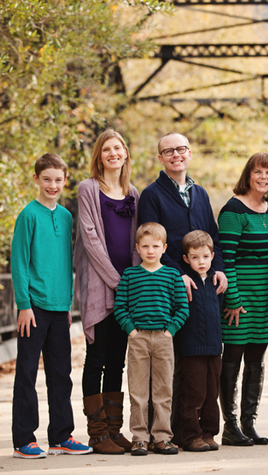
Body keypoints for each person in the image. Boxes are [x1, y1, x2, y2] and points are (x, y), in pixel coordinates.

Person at [137, 132, 227, 446]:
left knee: (201, 367)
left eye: (181, 149)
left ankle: (198, 432)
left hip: (203, 284)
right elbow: (150, 242)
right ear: (160, 158)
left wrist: (219, 270)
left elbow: (212, 238)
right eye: (169, 151)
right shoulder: (152, 195)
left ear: (189, 154)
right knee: (173, 365)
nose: (176, 155)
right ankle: (164, 432)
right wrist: (178, 273)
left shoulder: (200, 193)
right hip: (170, 287)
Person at [11, 153, 92, 458]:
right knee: (28, 373)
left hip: (61, 308)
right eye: (47, 179)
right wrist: (24, 303)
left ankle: (61, 436)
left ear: (65, 181)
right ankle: (24, 440)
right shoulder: (28, 215)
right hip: (33, 307)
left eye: (58, 180)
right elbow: (18, 262)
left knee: (61, 374)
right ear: (36, 179)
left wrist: (70, 302)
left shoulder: (66, 217)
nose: (52, 185)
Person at [74, 129, 140, 455]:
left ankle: (115, 430)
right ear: (99, 156)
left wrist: (135, 281)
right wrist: (118, 280)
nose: (113, 153)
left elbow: (139, 241)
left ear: (125, 153)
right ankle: (97, 434)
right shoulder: (88, 189)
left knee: (118, 361)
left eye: (118, 148)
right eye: (106, 149)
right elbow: (91, 239)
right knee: (96, 357)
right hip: (101, 286)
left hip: (127, 289)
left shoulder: (134, 193)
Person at [217, 153, 268, 446]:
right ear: (248, 175)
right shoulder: (233, 210)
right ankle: (230, 426)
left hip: (266, 297)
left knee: (257, 359)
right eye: (258, 172)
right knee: (232, 359)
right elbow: (226, 259)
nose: (263, 177)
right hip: (240, 298)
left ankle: (249, 423)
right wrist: (233, 299)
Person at [114, 222, 189, 456]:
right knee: (138, 392)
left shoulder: (172, 275)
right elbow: (120, 307)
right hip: (138, 339)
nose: (150, 251)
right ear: (137, 248)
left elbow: (182, 308)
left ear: (164, 248)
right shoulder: (130, 275)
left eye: (155, 246)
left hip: (164, 339)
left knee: (163, 391)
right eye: (145, 246)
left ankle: (163, 437)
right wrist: (132, 331)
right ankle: (139, 437)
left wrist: (170, 331)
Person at [175, 231, 224, 452]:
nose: (201, 261)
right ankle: (191, 436)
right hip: (191, 348)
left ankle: (208, 433)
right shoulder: (183, 282)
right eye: (195, 257)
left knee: (212, 393)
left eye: (205, 256)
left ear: (212, 255)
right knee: (194, 394)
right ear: (186, 259)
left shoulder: (216, 280)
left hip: (214, 348)